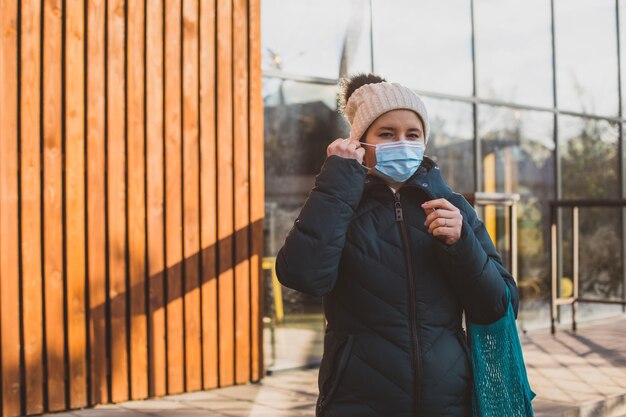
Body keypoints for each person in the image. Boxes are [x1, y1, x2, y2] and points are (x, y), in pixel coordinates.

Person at [275, 73, 519, 417]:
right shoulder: (340, 202)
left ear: (424, 142)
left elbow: (498, 306)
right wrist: (337, 178)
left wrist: (462, 244)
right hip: (356, 401)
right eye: (387, 134)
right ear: (361, 141)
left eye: (412, 134)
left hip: (448, 403)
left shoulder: (451, 206)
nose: (402, 142)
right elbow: (302, 275)